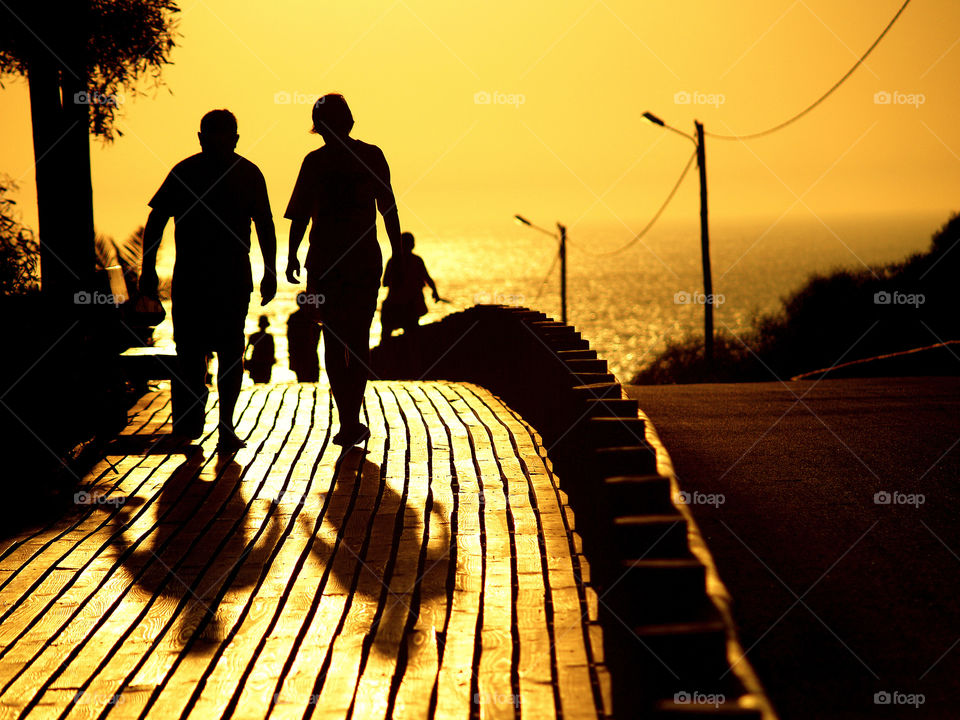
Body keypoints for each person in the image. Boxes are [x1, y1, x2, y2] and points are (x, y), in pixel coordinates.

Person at [139, 109, 276, 452]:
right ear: (203, 138)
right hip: (202, 277)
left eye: (222, 137)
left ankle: (219, 424)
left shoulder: (220, 172)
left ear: (233, 139)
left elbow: (264, 223)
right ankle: (209, 421)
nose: (216, 144)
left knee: (215, 350)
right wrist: (148, 268)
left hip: (217, 277)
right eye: (213, 137)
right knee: (205, 351)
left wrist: (271, 271)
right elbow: (157, 219)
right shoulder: (201, 172)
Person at [285, 93, 403, 447]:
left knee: (335, 339)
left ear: (319, 128)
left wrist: (292, 255)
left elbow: (301, 215)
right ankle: (351, 416)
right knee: (357, 337)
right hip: (361, 261)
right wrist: (397, 254)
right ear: (349, 122)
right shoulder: (370, 155)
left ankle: (348, 418)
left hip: (325, 263)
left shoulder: (316, 162)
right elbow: (389, 210)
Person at [380, 231, 439, 342]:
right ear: (413, 245)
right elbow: (428, 279)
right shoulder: (416, 260)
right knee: (412, 337)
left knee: (386, 336)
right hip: (410, 306)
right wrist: (435, 292)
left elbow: (385, 283)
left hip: (394, 305)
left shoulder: (393, 261)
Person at [287, 293, 321, 382]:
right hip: (309, 354)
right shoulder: (313, 317)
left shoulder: (293, 318)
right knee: (312, 379)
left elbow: (290, 340)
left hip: (300, 355)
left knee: (303, 379)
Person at [246, 315, 275, 383]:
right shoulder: (269, 337)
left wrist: (246, 361)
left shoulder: (254, 336)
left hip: (256, 360)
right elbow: (272, 351)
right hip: (265, 361)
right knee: (265, 379)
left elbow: (247, 349)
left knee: (256, 379)